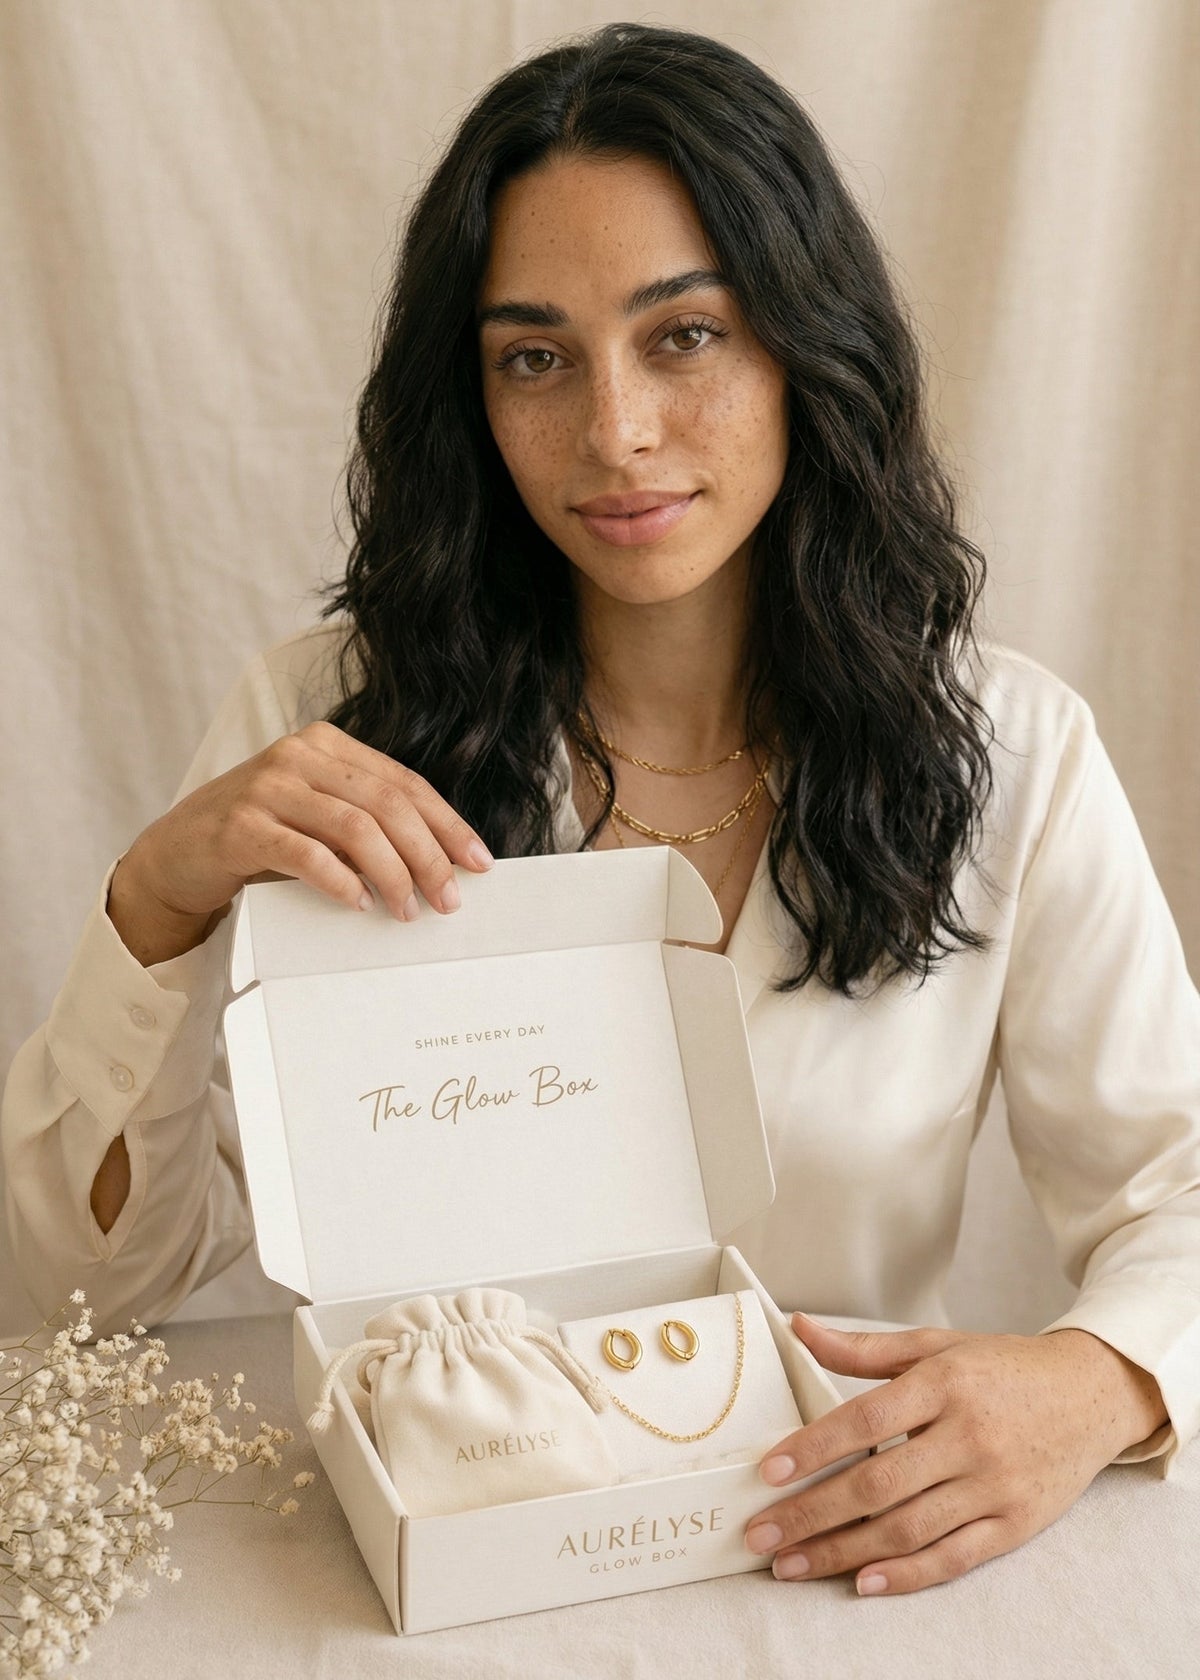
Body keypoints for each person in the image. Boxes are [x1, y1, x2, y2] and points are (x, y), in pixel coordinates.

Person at [4, 21, 1198, 1600]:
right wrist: (152, 902)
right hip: (404, 1593)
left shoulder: (1015, 753)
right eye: (535, 356)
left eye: (683, 336)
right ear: (475, 398)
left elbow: (1177, 1180)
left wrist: (1106, 1377)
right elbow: (80, 1289)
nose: (616, 432)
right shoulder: (324, 731)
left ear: (802, 344)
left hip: (836, 1571)